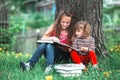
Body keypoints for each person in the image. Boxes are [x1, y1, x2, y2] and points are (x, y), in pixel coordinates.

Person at [19, 9, 75, 74]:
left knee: (49, 45)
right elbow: (43, 38)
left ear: (70, 22)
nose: (65, 24)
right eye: (63, 22)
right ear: (59, 20)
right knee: (44, 44)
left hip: (63, 55)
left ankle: (49, 66)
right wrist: (53, 38)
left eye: (67, 23)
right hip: (50, 53)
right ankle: (30, 64)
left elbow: (72, 46)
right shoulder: (54, 26)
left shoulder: (72, 30)